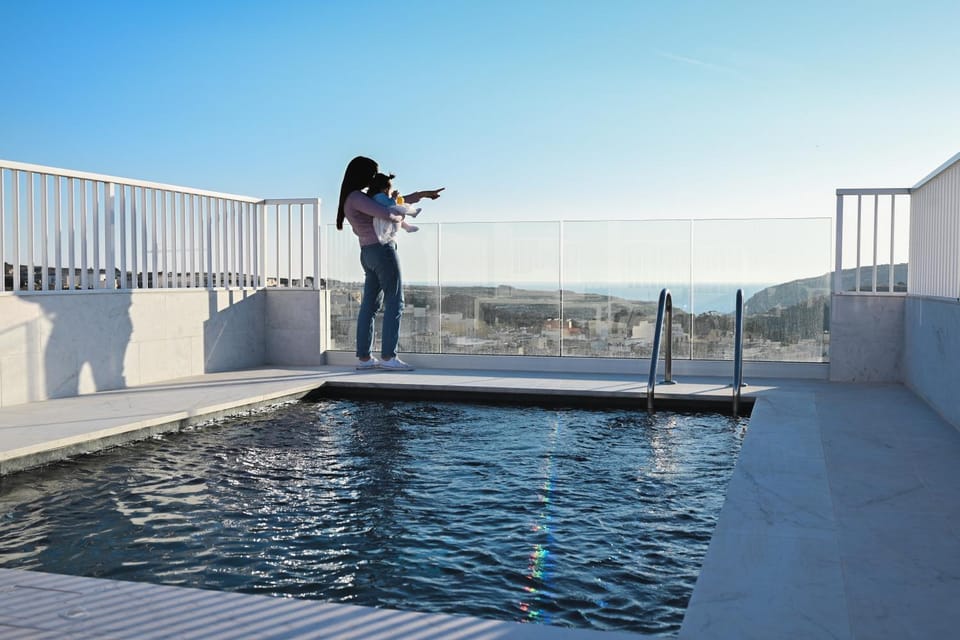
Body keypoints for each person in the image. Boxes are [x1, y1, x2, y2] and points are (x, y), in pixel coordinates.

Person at [336, 156, 444, 371]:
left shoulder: (356, 197)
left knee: (370, 306)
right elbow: (388, 211)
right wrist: (399, 216)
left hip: (367, 253)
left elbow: (393, 202)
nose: (375, 176)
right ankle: (388, 357)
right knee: (396, 302)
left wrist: (421, 194)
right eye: (373, 172)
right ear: (363, 173)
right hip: (382, 251)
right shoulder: (357, 197)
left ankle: (365, 359)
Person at [369, 172, 422, 244]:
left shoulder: (375, 196)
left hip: (383, 217)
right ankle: (413, 212)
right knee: (401, 207)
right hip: (384, 216)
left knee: (399, 209)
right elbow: (389, 204)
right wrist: (394, 197)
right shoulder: (379, 196)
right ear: (385, 189)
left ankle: (407, 227)